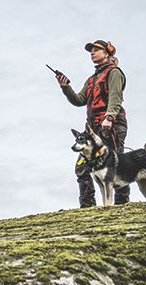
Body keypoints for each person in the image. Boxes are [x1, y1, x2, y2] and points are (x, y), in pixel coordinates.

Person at [55, 39, 130, 207]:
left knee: (115, 163)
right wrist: (65, 87)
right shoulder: (91, 80)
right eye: (91, 50)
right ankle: (87, 206)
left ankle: (121, 204)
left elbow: (115, 97)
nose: (92, 53)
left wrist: (109, 117)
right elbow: (79, 100)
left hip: (112, 125)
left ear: (107, 53)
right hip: (93, 129)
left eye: (96, 50)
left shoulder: (114, 72)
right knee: (82, 167)